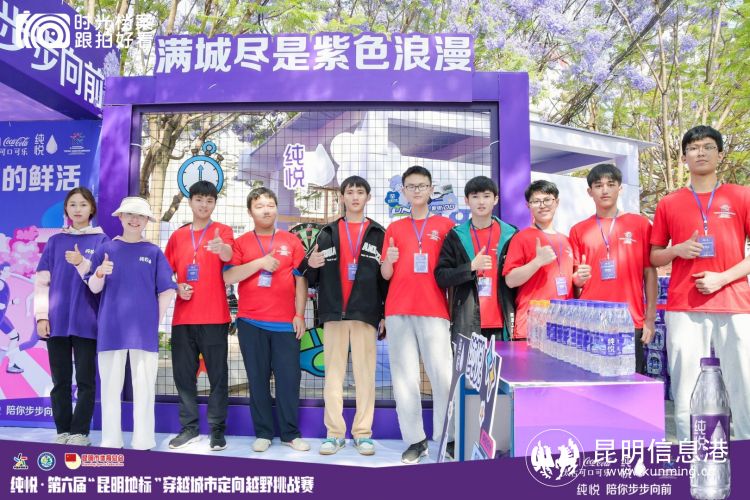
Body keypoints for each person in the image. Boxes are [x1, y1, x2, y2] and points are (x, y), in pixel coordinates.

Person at [650, 125, 750, 441]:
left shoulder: (742, 195)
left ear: (720, 154)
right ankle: (689, 453)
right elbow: (654, 256)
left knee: (743, 384)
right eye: (693, 148)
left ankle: (744, 451)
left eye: (708, 147)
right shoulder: (669, 202)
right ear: (684, 157)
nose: (701, 152)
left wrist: (723, 278)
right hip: (684, 304)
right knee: (685, 386)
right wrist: (676, 250)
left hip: (734, 302)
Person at [301, 176, 387, 456]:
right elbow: (308, 273)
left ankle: (363, 434)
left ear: (368, 197)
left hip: (365, 314)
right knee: (333, 376)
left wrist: (384, 313)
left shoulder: (379, 233)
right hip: (334, 314)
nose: (355, 197)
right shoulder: (326, 232)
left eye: (360, 192)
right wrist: (311, 263)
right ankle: (334, 434)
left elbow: (387, 278)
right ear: (342, 197)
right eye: (350, 192)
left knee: (365, 376)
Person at [223, 187, 310, 453]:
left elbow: (301, 280)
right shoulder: (241, 243)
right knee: (257, 380)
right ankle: (263, 433)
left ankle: (290, 434)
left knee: (289, 380)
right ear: (250, 212)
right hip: (251, 322)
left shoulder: (291, 241)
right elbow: (229, 277)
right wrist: (260, 263)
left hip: (286, 324)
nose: (266, 210)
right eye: (259, 206)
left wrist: (299, 314)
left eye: (270, 205)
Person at [87, 196, 177, 450]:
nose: (135, 220)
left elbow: (167, 290)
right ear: (120, 217)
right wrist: (100, 272)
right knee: (110, 388)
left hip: (143, 332)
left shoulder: (153, 252)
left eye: (140, 216)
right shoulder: (106, 249)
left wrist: (154, 321)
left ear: (147, 220)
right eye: (129, 214)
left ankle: (143, 441)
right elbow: (93, 287)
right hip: (111, 328)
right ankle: (111, 441)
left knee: (144, 388)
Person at [380, 165, 455, 464]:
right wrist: (389, 260)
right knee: (404, 379)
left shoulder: (445, 225)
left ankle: (448, 437)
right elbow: (385, 274)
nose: (417, 191)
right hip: (398, 309)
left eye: (422, 185)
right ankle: (415, 440)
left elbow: (451, 270)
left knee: (443, 377)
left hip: (435, 309)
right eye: (411, 186)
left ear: (431, 189)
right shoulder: (394, 228)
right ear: (403, 191)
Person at [33, 187, 109, 446]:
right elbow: (42, 282)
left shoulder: (101, 241)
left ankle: (80, 432)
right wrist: (42, 316)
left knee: (86, 381)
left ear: (92, 209)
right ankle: (63, 430)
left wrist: (82, 263)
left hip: (87, 321)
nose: (77, 209)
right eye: (73, 204)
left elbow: (102, 283)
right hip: (56, 322)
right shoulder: (55, 242)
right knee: (60, 381)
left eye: (83, 204)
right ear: (66, 209)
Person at [164, 181, 234, 452]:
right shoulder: (178, 236)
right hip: (183, 318)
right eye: (199, 199)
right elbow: (165, 273)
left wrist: (221, 248)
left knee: (218, 376)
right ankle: (189, 428)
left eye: (209, 200)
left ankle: (217, 430)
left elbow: (230, 256)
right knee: (184, 376)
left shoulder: (223, 231)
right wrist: (176, 286)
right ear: (190, 201)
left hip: (215, 316)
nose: (204, 205)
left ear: (214, 204)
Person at [569, 164, 657, 373]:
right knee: (591, 382)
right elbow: (575, 280)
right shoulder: (578, 230)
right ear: (590, 191)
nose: (605, 190)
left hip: (630, 319)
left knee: (630, 383)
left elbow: (649, 272)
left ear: (620, 188)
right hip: (591, 321)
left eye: (610, 184)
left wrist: (650, 318)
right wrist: (578, 278)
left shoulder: (641, 224)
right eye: (598, 185)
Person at [435, 175, 518, 342]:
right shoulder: (456, 236)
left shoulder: (511, 234)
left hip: (503, 321)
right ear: (466, 200)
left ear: (495, 199)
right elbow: (441, 276)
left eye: (486, 196)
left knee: (504, 360)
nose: (481, 202)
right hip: (467, 321)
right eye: (475, 196)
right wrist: (470, 267)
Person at [502, 180, 586, 340]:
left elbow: (574, 284)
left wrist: (580, 280)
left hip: (565, 325)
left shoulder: (566, 240)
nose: (542, 205)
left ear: (557, 202)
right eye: (536, 201)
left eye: (547, 200)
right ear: (528, 205)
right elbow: (510, 280)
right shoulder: (521, 238)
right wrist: (537, 262)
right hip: (532, 326)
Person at [0, 262, 23, 374]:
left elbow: (3, 303)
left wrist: (12, 302)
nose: (9, 272)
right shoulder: (0, 283)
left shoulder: (3, 283)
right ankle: (10, 364)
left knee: (15, 336)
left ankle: (11, 364)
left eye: (9, 270)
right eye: (6, 271)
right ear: (1, 271)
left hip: (2, 317)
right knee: (15, 337)